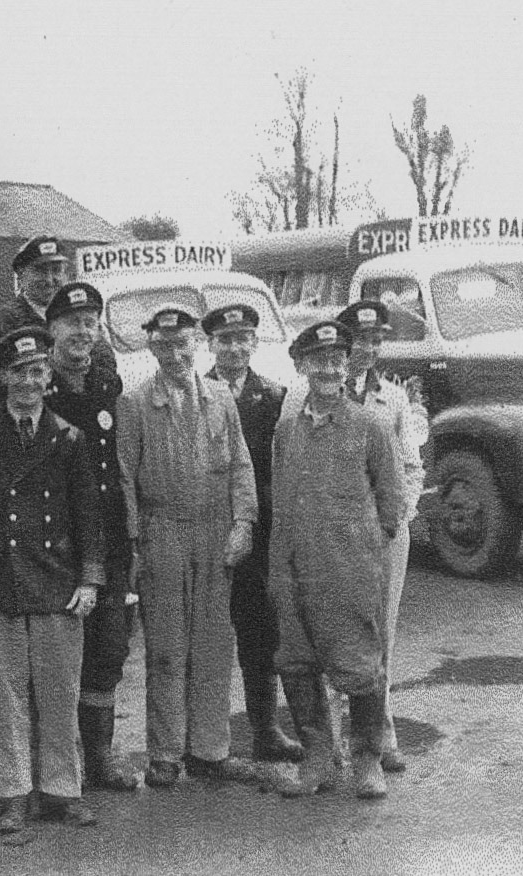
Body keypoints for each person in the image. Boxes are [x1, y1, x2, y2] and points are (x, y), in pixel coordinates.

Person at [0, 326, 104, 834]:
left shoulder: (69, 438)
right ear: (1, 376)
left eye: (37, 371)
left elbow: (89, 516)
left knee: (60, 691)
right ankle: (9, 793)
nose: (29, 382)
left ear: (49, 375)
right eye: (19, 372)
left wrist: (91, 579)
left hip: (57, 581)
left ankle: (62, 789)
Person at [115, 304, 258, 788]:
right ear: (153, 347)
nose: (176, 354)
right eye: (165, 345)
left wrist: (244, 522)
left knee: (215, 644)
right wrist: (134, 544)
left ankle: (210, 749)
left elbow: (241, 464)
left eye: (183, 344)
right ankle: (166, 752)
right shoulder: (135, 403)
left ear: (196, 344)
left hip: (215, 529)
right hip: (164, 531)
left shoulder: (220, 396)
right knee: (167, 648)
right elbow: (125, 479)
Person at [268, 320, 403, 799]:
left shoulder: (372, 425)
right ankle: (318, 758)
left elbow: (392, 505)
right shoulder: (286, 431)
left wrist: (365, 557)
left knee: (361, 666)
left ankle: (367, 759)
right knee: (298, 664)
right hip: (295, 570)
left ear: (347, 366)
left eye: (337, 360)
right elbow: (282, 503)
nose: (329, 369)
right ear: (302, 366)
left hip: (350, 573)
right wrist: (279, 571)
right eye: (319, 361)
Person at [43, 282, 138, 791]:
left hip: (108, 536)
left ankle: (99, 758)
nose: (83, 331)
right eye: (72, 322)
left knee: (109, 648)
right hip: (58, 545)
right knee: (60, 657)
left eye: (90, 322)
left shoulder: (106, 384)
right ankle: (60, 765)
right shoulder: (39, 386)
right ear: (52, 329)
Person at [201, 304, 304, 765]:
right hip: (204, 530)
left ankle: (265, 729)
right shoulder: (195, 392)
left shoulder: (274, 397)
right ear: (212, 345)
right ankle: (202, 739)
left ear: (254, 344)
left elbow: (281, 469)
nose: (235, 348)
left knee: (259, 634)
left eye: (244, 338)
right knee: (204, 635)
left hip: (257, 537)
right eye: (226, 339)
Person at [336, 300, 428, 773]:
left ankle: (379, 733)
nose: (368, 349)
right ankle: (333, 739)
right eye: (359, 340)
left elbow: (412, 467)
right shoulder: (320, 394)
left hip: (386, 532)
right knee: (336, 631)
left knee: (382, 634)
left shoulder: (393, 398)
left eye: (376, 341)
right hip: (336, 534)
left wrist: (394, 519)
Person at [0, 235, 117, 376]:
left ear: (65, 274)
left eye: (56, 270)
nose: (49, 280)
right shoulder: (7, 319)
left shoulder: (80, 312)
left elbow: (104, 358)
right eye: (40, 271)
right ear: (21, 275)